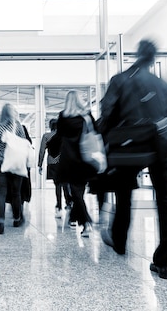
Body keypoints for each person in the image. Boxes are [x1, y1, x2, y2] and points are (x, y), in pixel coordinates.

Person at [97, 39, 167, 279]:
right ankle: (164, 263)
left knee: (124, 195)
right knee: (164, 201)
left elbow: (107, 113)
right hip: (158, 146)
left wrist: (103, 138)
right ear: (153, 58)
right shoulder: (162, 85)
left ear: (137, 54)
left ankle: (120, 241)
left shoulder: (120, 80)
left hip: (128, 147)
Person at [49, 90, 99, 238]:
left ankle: (86, 222)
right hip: (85, 159)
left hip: (70, 160)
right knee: (79, 192)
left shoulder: (63, 117)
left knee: (75, 193)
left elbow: (59, 136)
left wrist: (52, 150)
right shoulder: (87, 116)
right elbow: (96, 133)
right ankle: (75, 219)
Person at [0, 103, 27, 234]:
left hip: (1, 163)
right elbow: (24, 145)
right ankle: (17, 219)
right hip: (16, 164)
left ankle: (1, 223)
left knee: (2, 193)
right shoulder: (18, 127)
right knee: (16, 193)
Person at [38, 118, 72, 218]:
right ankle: (69, 202)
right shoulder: (64, 135)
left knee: (57, 185)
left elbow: (41, 151)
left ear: (50, 126)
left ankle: (58, 206)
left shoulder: (46, 136)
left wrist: (40, 164)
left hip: (52, 163)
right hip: (63, 162)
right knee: (65, 184)